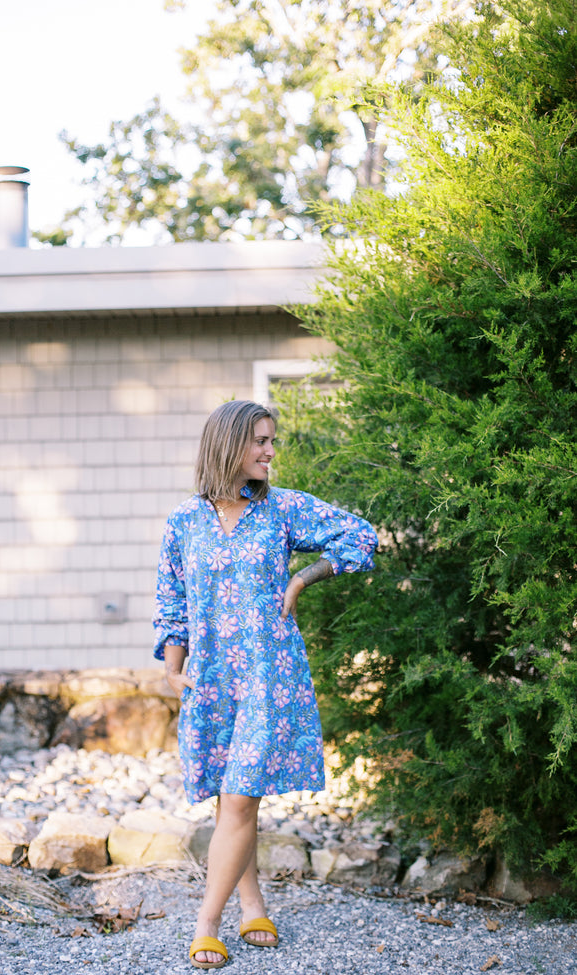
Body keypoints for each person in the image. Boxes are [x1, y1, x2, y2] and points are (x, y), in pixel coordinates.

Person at [153, 399, 378, 969]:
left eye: (271, 440)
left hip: (267, 677)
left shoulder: (283, 510)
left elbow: (360, 537)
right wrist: (173, 669)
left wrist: (303, 578)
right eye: (260, 441)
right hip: (210, 678)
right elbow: (173, 602)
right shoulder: (184, 521)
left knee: (239, 797)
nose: (270, 451)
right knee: (232, 798)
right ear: (229, 444)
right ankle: (252, 905)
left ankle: (206, 923)